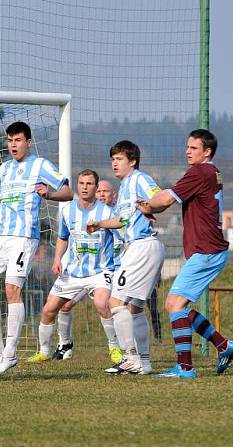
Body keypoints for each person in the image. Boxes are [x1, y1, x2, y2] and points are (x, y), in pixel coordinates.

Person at [0, 121, 72, 375]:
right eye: (9, 140)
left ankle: (11, 353)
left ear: (28, 142)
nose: (13, 145)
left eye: (17, 140)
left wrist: (48, 194)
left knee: (11, 288)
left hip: (23, 236)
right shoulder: (4, 168)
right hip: (0, 236)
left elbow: (67, 192)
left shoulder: (40, 165)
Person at [136, 129, 233, 378]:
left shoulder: (200, 172)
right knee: (178, 305)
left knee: (173, 304)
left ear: (207, 152)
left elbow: (167, 198)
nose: (187, 151)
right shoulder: (211, 172)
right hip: (209, 250)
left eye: (193, 148)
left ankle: (185, 367)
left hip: (206, 250)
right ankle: (223, 345)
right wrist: (154, 207)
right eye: (187, 147)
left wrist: (148, 205)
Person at [87, 140, 165, 375]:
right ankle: (143, 361)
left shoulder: (139, 179)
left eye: (119, 159)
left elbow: (160, 197)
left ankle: (129, 358)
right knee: (135, 307)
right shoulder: (124, 190)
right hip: (142, 248)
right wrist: (100, 223)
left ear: (132, 161)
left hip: (141, 247)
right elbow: (122, 220)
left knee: (115, 302)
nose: (114, 163)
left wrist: (150, 208)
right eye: (112, 159)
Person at [24, 170, 119, 363]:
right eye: (82, 183)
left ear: (95, 186)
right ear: (77, 185)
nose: (85, 187)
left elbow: (121, 229)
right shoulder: (68, 211)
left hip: (100, 271)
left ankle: (115, 349)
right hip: (73, 272)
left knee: (102, 304)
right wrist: (57, 259)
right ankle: (44, 351)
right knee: (49, 309)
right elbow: (62, 238)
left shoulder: (107, 212)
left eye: (89, 184)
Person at [53, 178, 123, 363]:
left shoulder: (114, 217)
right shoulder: (81, 214)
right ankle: (64, 345)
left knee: (115, 307)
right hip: (82, 273)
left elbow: (125, 241)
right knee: (65, 305)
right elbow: (65, 237)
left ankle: (121, 347)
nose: (101, 194)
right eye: (99, 191)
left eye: (105, 192)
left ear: (113, 195)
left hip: (110, 271)